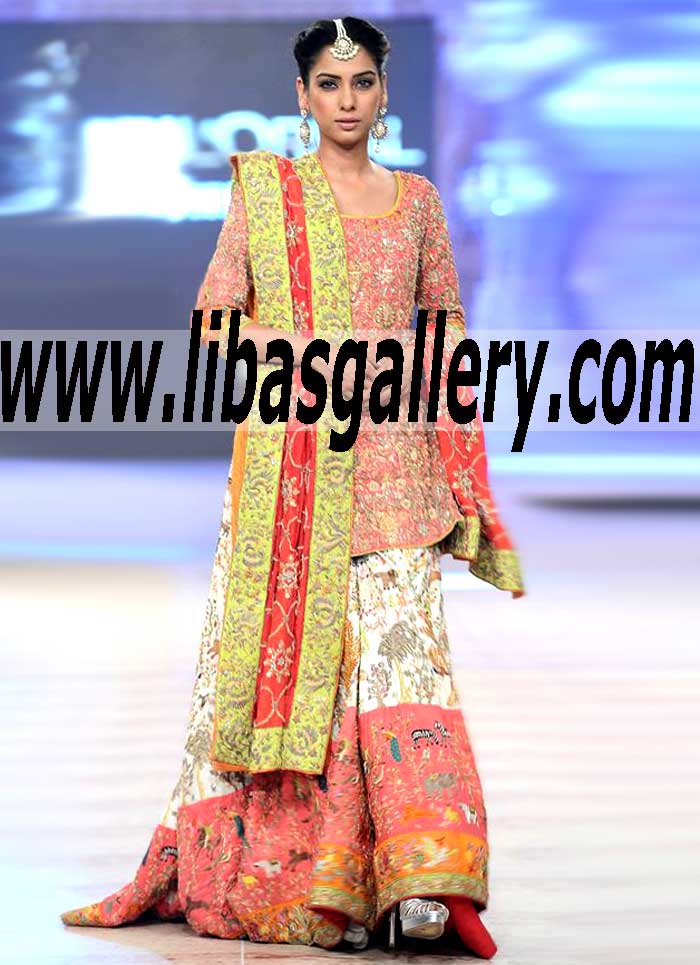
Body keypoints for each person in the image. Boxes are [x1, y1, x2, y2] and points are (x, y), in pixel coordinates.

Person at [60, 17, 524, 958]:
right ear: (302, 96)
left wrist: (459, 467)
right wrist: (305, 358)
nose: (347, 100)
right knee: (321, 687)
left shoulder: (420, 202)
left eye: (362, 82)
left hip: (398, 474)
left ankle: (423, 885)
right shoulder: (266, 196)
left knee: (405, 672)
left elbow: (446, 335)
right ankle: (319, 887)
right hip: (295, 480)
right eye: (329, 84)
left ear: (384, 93)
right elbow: (215, 321)